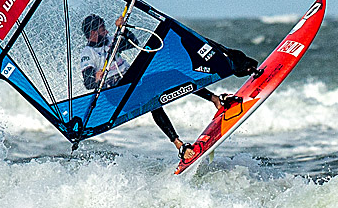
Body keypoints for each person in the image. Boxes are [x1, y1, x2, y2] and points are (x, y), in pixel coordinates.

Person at [79, 13, 260, 162]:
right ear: (93, 33)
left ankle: (215, 99)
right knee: (153, 100)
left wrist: (124, 29)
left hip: (133, 81)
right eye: (102, 28)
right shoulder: (88, 54)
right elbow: (88, 83)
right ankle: (180, 146)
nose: (106, 30)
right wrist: (96, 77)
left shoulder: (112, 40)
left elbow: (132, 42)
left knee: (174, 74)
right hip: (118, 93)